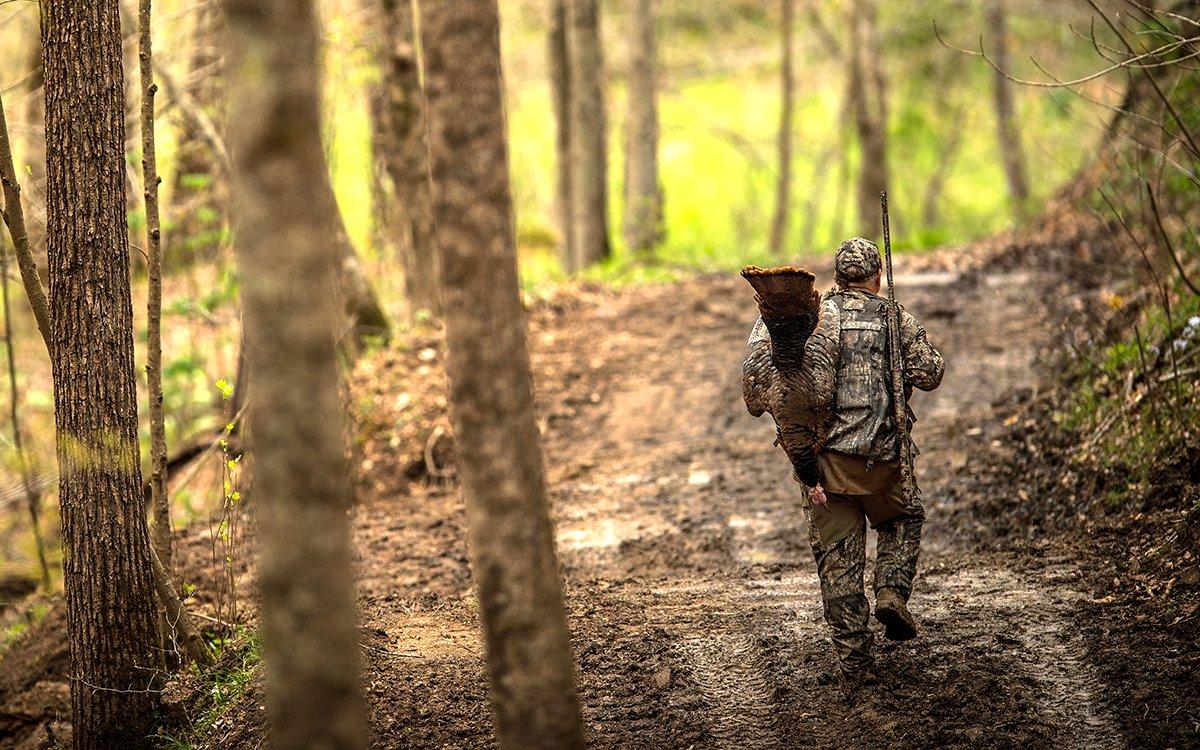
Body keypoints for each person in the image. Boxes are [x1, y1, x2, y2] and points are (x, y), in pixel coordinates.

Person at [746, 237, 944, 684]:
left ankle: (854, 660)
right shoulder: (894, 317)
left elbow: (762, 378)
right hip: (884, 461)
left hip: (824, 467)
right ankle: (892, 590)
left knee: (838, 561)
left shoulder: (814, 320)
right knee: (903, 518)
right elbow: (930, 375)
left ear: (836, 279)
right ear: (877, 277)